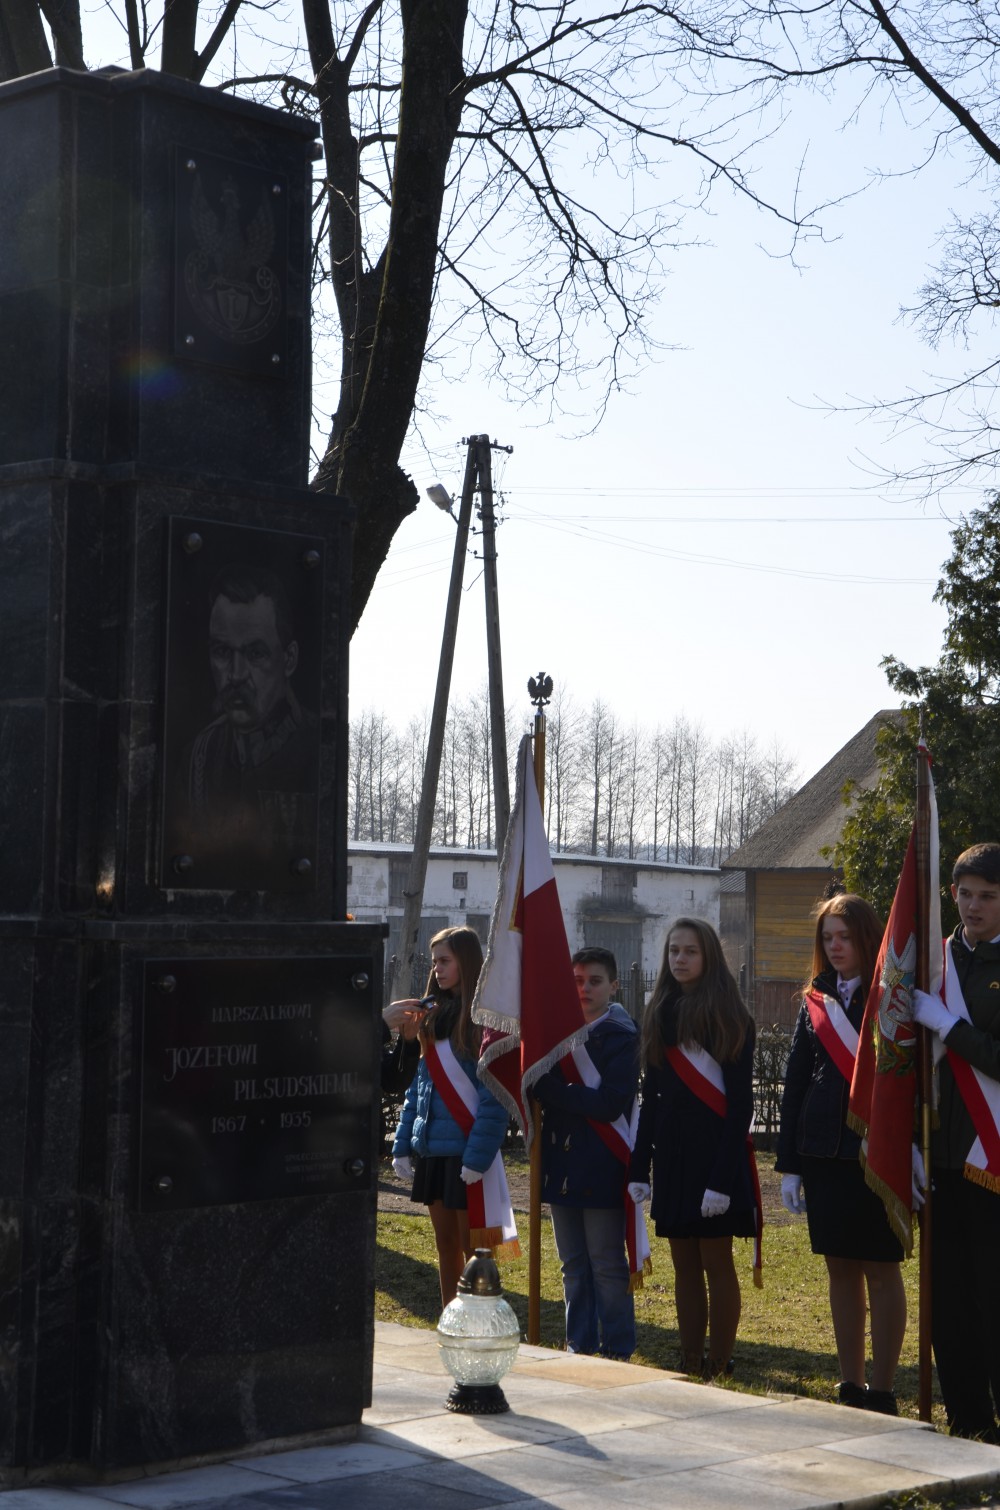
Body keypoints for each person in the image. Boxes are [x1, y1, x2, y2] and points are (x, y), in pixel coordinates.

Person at [776, 893, 906, 1415]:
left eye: (844, 937)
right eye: (827, 937)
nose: (834, 946)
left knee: (880, 1267)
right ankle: (850, 1383)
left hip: (875, 1155)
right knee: (840, 1268)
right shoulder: (815, 999)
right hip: (823, 1154)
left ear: (866, 938)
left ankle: (884, 1389)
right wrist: (789, 1164)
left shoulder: (891, 996)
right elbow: (795, 1083)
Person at [628, 918, 759, 1379]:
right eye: (673, 951)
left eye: (690, 951)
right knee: (683, 1263)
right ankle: (689, 1359)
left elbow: (740, 1106)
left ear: (709, 958)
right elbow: (651, 1098)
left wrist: (721, 1181)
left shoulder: (730, 1016)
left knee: (716, 1262)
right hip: (673, 1157)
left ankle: (719, 1363)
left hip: (715, 1157)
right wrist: (639, 1166)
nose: (679, 959)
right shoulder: (659, 1013)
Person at [912, 842, 1000, 1441]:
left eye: (987, 896)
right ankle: (968, 1419)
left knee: (993, 1296)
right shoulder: (935, 962)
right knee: (947, 1302)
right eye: (965, 894)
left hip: (992, 1156)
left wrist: (947, 1025)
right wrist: (910, 1144)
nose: (973, 906)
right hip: (941, 1154)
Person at [391, 926, 514, 1306]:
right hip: (434, 1152)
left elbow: (493, 1099)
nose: (437, 969)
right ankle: (451, 1317)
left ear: (467, 962)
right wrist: (403, 1144)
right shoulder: (430, 1017)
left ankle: (479, 1319)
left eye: (445, 961)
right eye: (434, 962)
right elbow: (419, 1089)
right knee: (445, 1247)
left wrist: (477, 1158)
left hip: (466, 1154)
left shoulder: (482, 1022)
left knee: (474, 1249)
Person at [533, 947, 642, 1359]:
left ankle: (617, 1349)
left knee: (607, 1265)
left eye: (594, 981)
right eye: (577, 981)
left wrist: (552, 1090)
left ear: (613, 986)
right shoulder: (556, 1035)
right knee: (573, 1266)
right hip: (561, 1165)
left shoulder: (623, 1036)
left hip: (602, 1163)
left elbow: (610, 1103)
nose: (584, 989)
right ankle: (578, 1343)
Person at [175, 563, 319, 863]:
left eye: (255, 653)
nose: (236, 674)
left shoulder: (317, 749)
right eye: (222, 652)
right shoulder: (198, 757)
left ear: (289, 659)